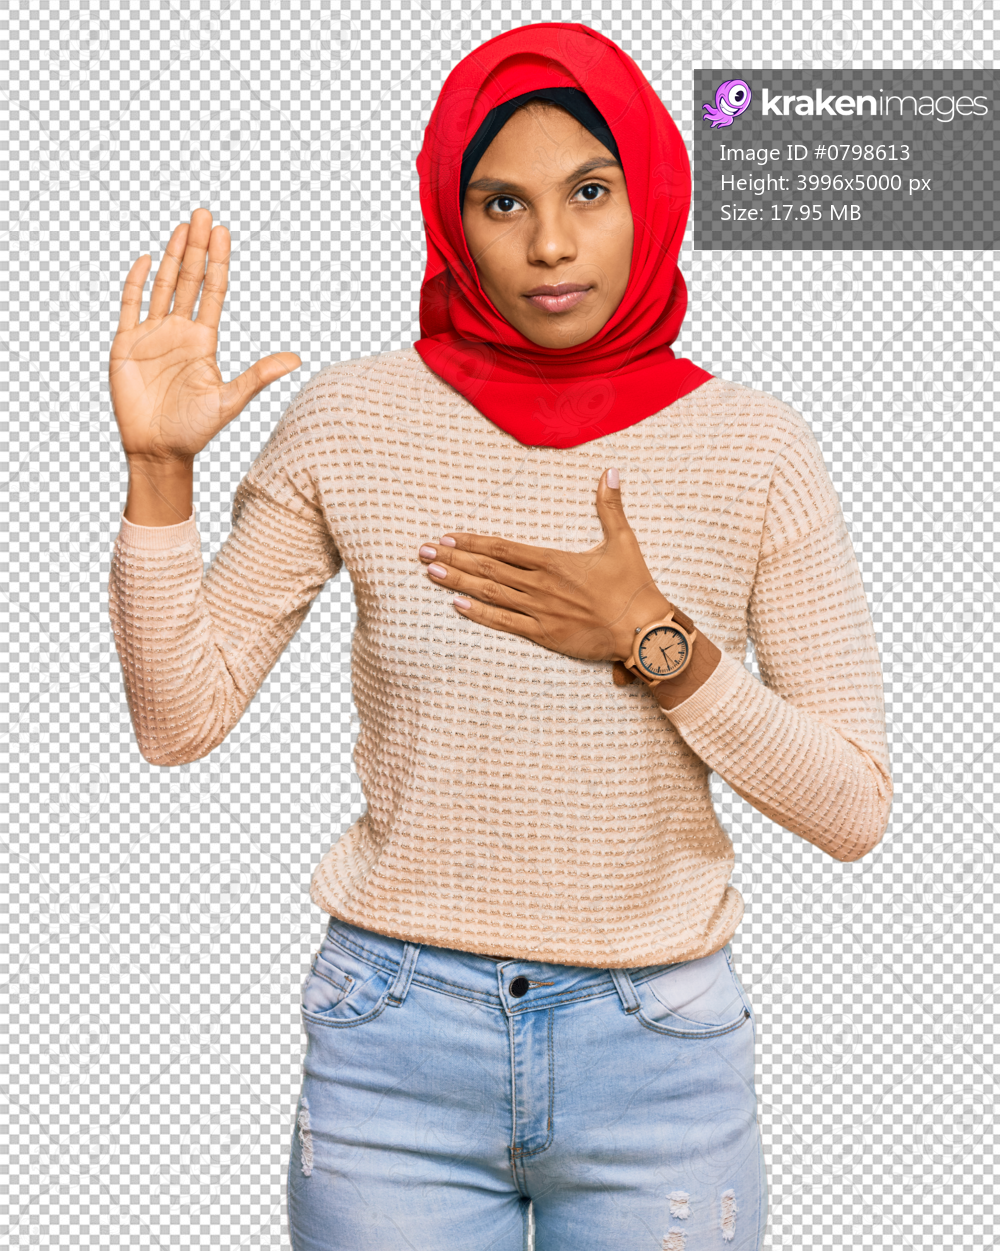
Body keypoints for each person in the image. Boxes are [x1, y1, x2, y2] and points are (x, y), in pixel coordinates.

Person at [106, 22, 892, 1251]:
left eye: (590, 190)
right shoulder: (352, 420)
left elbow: (852, 808)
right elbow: (178, 721)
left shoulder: (755, 447)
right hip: (394, 1047)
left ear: (652, 188)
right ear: (449, 219)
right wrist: (158, 471)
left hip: (659, 1059)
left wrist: (655, 641)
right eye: (501, 202)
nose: (550, 244)